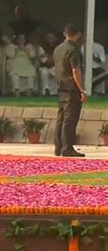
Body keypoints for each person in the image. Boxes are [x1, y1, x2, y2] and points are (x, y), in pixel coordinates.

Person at [53, 23, 86, 157]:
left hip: (61, 85)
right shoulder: (74, 49)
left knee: (61, 118)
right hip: (72, 87)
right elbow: (75, 70)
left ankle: (58, 146)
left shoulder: (58, 49)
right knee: (70, 118)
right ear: (78, 34)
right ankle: (67, 147)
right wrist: (82, 89)